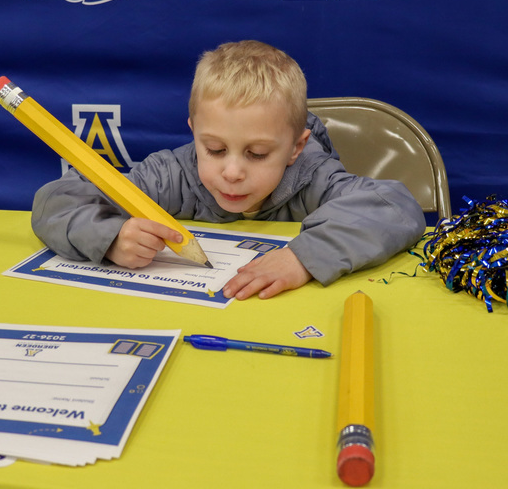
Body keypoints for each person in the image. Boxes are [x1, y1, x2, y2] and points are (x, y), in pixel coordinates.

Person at [31, 40, 426, 300]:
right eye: (215, 149)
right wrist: (111, 237)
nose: (232, 172)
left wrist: (303, 257)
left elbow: (397, 208)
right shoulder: (173, 173)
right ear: (195, 134)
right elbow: (55, 200)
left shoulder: (313, 175)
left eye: (256, 154)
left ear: (295, 147)